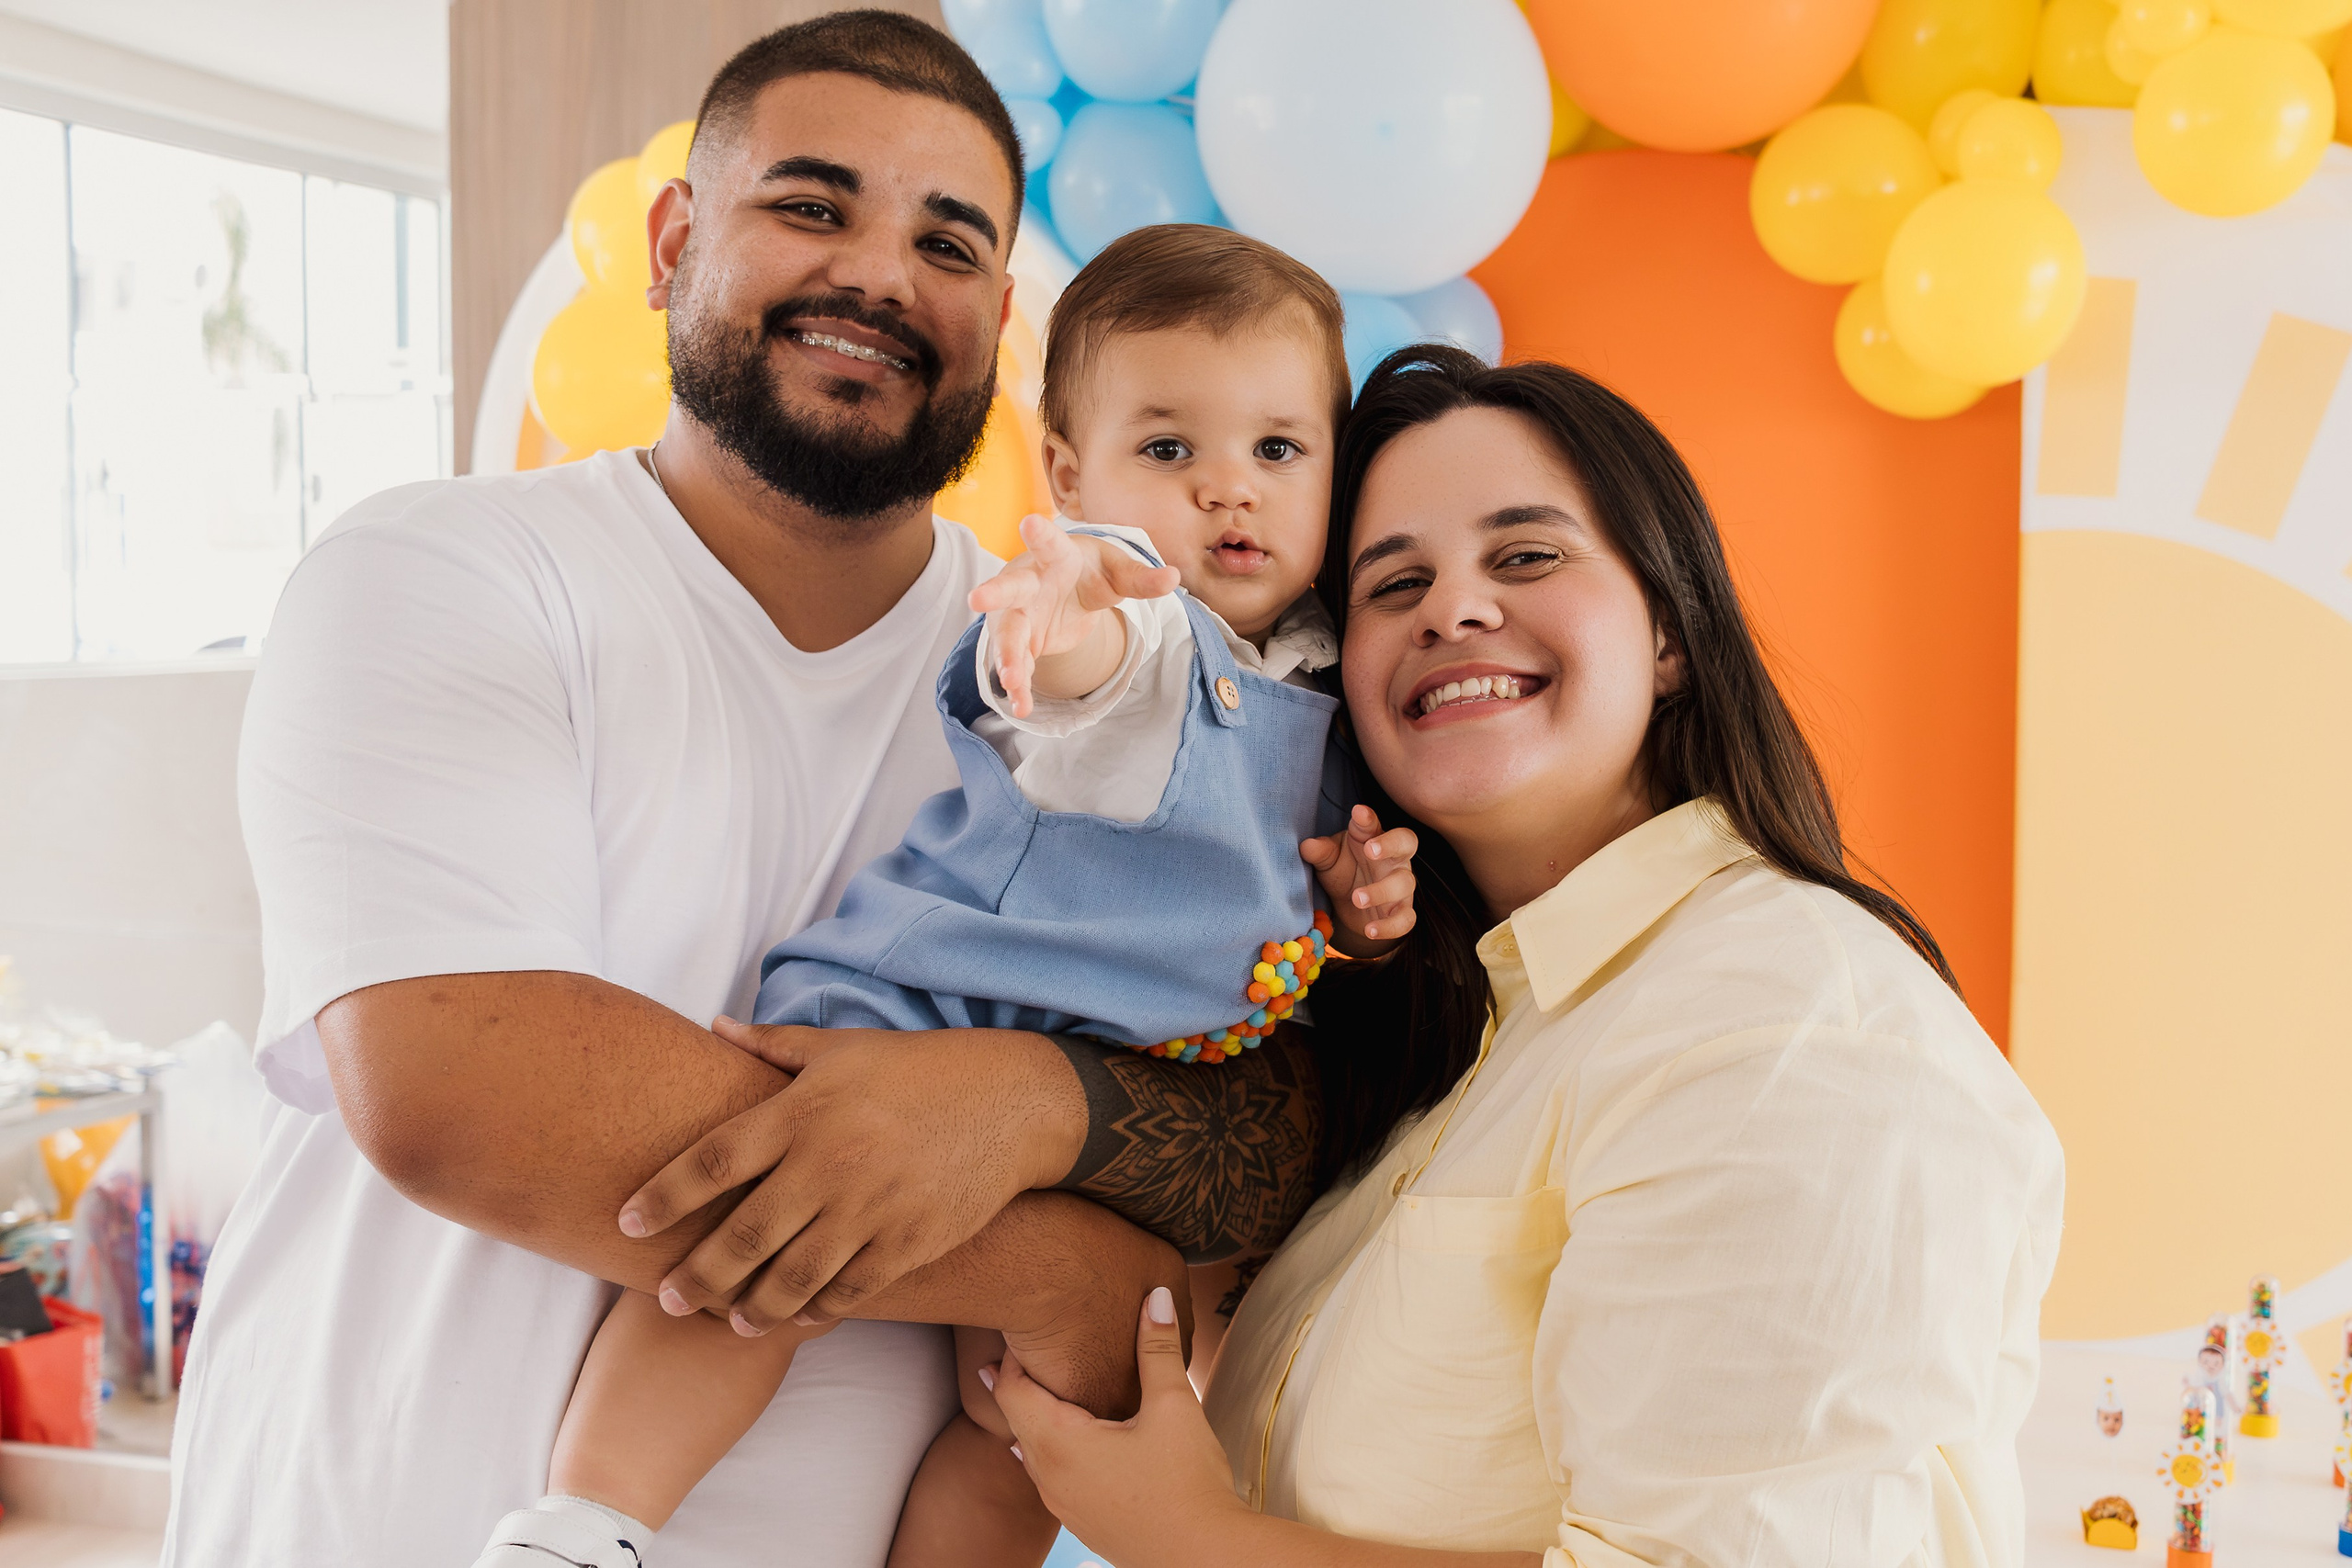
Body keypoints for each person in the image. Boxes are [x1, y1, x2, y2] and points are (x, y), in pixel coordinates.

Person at [166, 16, 1321, 1568]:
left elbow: (1274, 1107)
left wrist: (1025, 1101)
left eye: (950, 243)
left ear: (999, 322)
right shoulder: (445, 572)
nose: (880, 275)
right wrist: (1059, 1267)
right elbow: (463, 1094)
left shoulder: (1094, 680)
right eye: (813, 205)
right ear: (672, 241)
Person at [989, 347, 2067, 1568]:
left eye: (1528, 555)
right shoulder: (1470, 1039)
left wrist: (1187, 1537)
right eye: (1393, 584)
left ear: (1670, 632)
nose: (1451, 609)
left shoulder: (1790, 1024)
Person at [485, 224, 1419, 1568]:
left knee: (1034, 1419)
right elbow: (1081, 678)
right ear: (1070, 472)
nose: (1231, 493)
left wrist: (1352, 911)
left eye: (1278, 451)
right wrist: (1058, 611)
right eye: (1169, 451)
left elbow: (1268, 895)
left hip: (1108, 1098)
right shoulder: (1141, 630)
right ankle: (586, 1524)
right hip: (920, 1019)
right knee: (769, 1268)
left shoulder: (1322, 678)